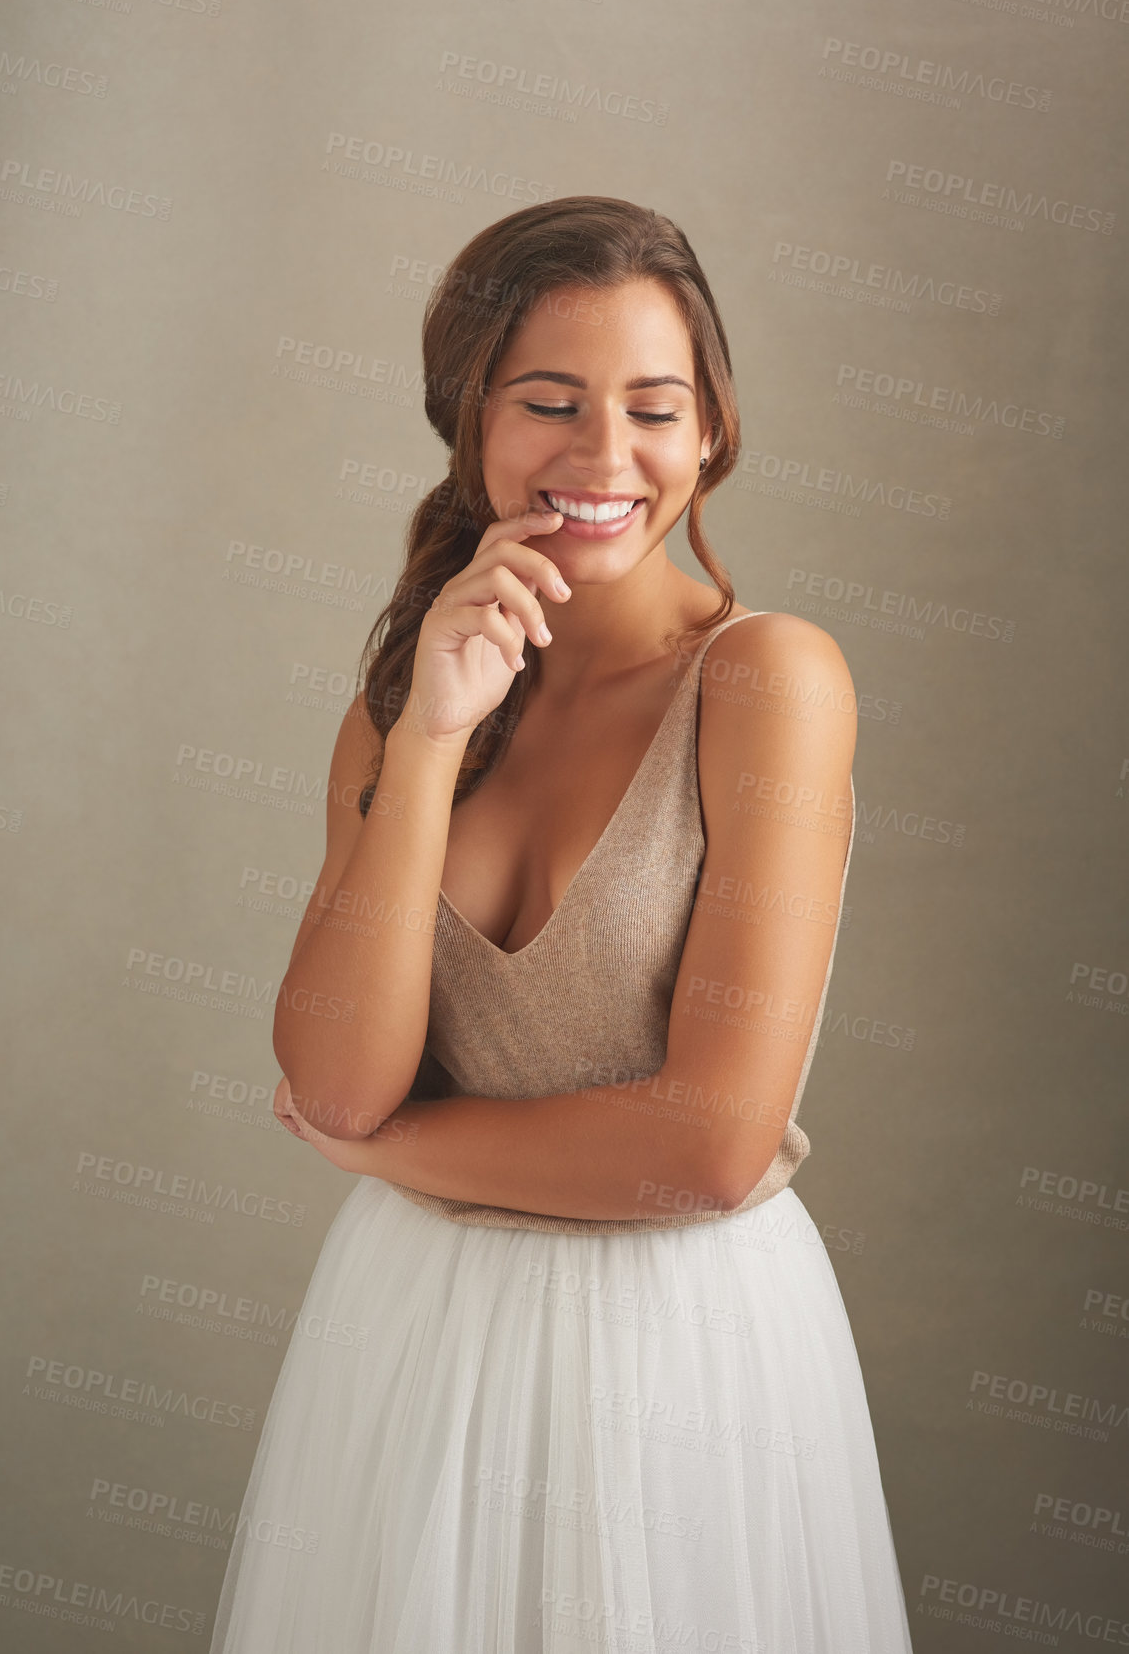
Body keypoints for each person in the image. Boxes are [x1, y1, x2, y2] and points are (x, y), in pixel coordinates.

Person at [209, 196, 914, 1651]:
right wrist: (423, 743)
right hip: (417, 1336)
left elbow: (710, 1148)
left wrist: (381, 1152)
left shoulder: (770, 682)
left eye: (655, 409)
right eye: (549, 405)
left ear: (712, 428)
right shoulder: (398, 711)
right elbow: (338, 1071)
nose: (604, 459)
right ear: (468, 422)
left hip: (684, 1360)